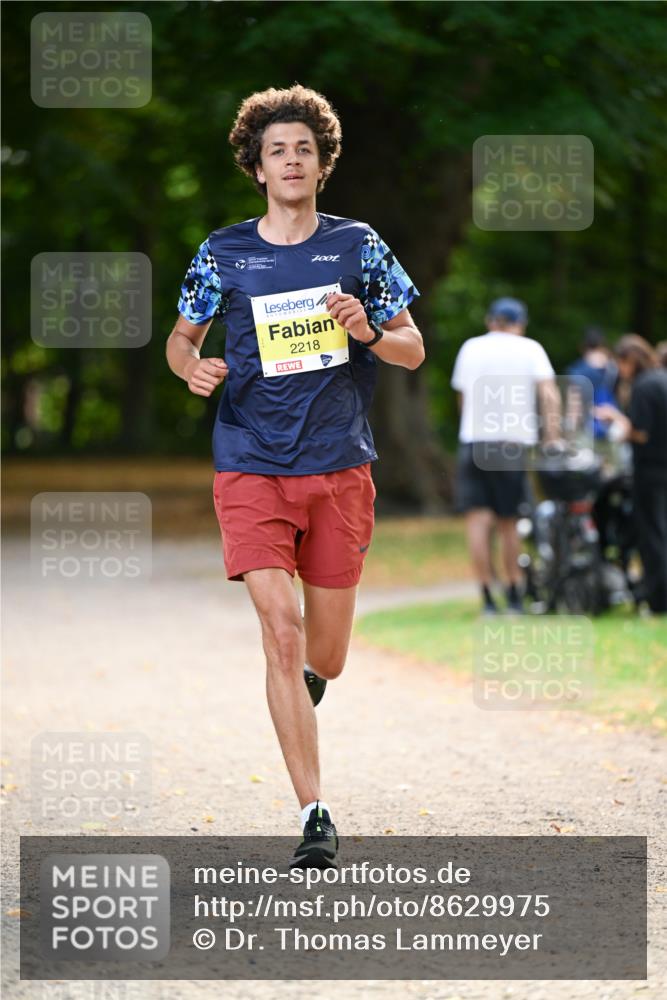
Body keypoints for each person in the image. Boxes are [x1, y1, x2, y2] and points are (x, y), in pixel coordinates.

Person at [166, 85, 424, 868]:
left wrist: (367, 329)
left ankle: (312, 674)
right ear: (256, 167)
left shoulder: (357, 246)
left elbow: (412, 348)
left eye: (303, 149)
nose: (290, 160)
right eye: (276, 150)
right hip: (249, 462)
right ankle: (314, 813)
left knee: (327, 655)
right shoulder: (223, 252)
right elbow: (181, 339)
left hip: (338, 465)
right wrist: (191, 368)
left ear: (321, 164)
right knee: (280, 628)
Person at [451, 297, 561, 615]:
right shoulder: (530, 349)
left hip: (473, 442)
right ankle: (514, 593)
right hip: (510, 444)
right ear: (519, 324)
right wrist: (552, 436)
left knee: (477, 522)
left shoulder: (470, 347)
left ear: (491, 321)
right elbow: (549, 394)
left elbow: (462, 398)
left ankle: (487, 597)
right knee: (508, 522)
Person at [595, 335, 667, 615]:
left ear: (630, 360)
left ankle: (659, 600)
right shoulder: (661, 379)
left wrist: (616, 420)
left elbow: (641, 432)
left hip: (650, 470)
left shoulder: (644, 386)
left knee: (652, 535)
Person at [566, 327, 620, 441]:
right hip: (614, 425)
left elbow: (574, 407)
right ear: (603, 345)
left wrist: (570, 434)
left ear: (582, 346)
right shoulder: (615, 368)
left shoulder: (577, 370)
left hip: (587, 428)